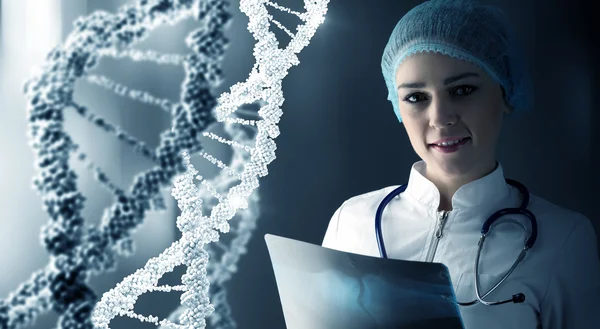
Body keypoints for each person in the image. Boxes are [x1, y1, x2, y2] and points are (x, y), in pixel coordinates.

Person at [321, 0, 600, 328]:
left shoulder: (563, 239)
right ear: (397, 105)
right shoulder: (352, 222)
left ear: (505, 93)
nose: (440, 118)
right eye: (416, 97)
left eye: (462, 90)